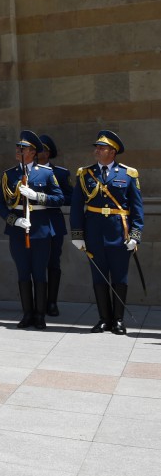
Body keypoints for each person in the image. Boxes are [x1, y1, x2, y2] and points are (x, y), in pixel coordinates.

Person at [70, 130, 143, 335]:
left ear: (112, 152)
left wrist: (135, 236)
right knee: (98, 276)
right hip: (94, 233)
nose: (97, 151)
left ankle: (118, 320)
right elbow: (76, 207)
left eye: (101, 148)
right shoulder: (85, 174)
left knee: (120, 276)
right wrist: (77, 235)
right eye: (97, 148)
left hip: (120, 233)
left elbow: (137, 208)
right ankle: (104, 319)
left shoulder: (128, 174)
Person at [0, 130, 64, 330]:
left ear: (33, 152)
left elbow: (59, 199)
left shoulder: (46, 173)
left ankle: (40, 315)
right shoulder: (9, 175)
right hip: (17, 230)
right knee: (23, 272)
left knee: (39, 273)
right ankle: (27, 313)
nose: (18, 150)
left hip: (41, 229)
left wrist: (37, 196)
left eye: (22, 148)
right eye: (17, 147)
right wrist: (12, 220)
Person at [37, 134, 72, 316]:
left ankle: (52, 302)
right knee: (36, 264)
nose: (37, 152)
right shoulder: (27, 171)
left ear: (48, 152)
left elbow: (71, 197)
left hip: (53, 223)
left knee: (53, 262)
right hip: (34, 223)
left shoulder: (60, 173)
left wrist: (49, 199)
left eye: (41, 149)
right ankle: (38, 302)